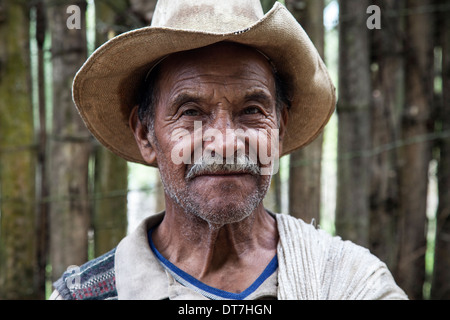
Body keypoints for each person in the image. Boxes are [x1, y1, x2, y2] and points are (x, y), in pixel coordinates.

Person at [50, 0, 407, 300]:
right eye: (191, 113)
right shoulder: (85, 293)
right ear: (145, 135)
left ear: (279, 129)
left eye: (252, 110)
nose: (225, 143)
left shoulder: (350, 283)